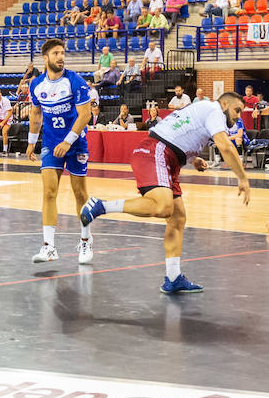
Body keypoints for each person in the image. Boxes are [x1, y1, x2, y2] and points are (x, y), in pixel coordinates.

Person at [80, 93, 251, 294]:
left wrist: (193, 157)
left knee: (177, 218)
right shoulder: (215, 110)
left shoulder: (204, 108)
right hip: (157, 152)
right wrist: (242, 178)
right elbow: (226, 147)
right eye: (236, 110)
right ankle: (101, 206)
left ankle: (173, 277)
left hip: (168, 157)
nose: (239, 116)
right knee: (163, 207)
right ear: (224, 104)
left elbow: (180, 130)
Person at [25, 39, 96, 265]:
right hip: (50, 143)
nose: (61, 57)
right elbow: (36, 114)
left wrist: (68, 140)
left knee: (80, 194)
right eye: (56, 53)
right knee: (48, 192)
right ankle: (48, 247)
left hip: (75, 143)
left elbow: (85, 116)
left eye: (63, 53)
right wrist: (31, 142)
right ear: (45, 58)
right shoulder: (36, 84)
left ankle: (86, 240)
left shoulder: (75, 82)